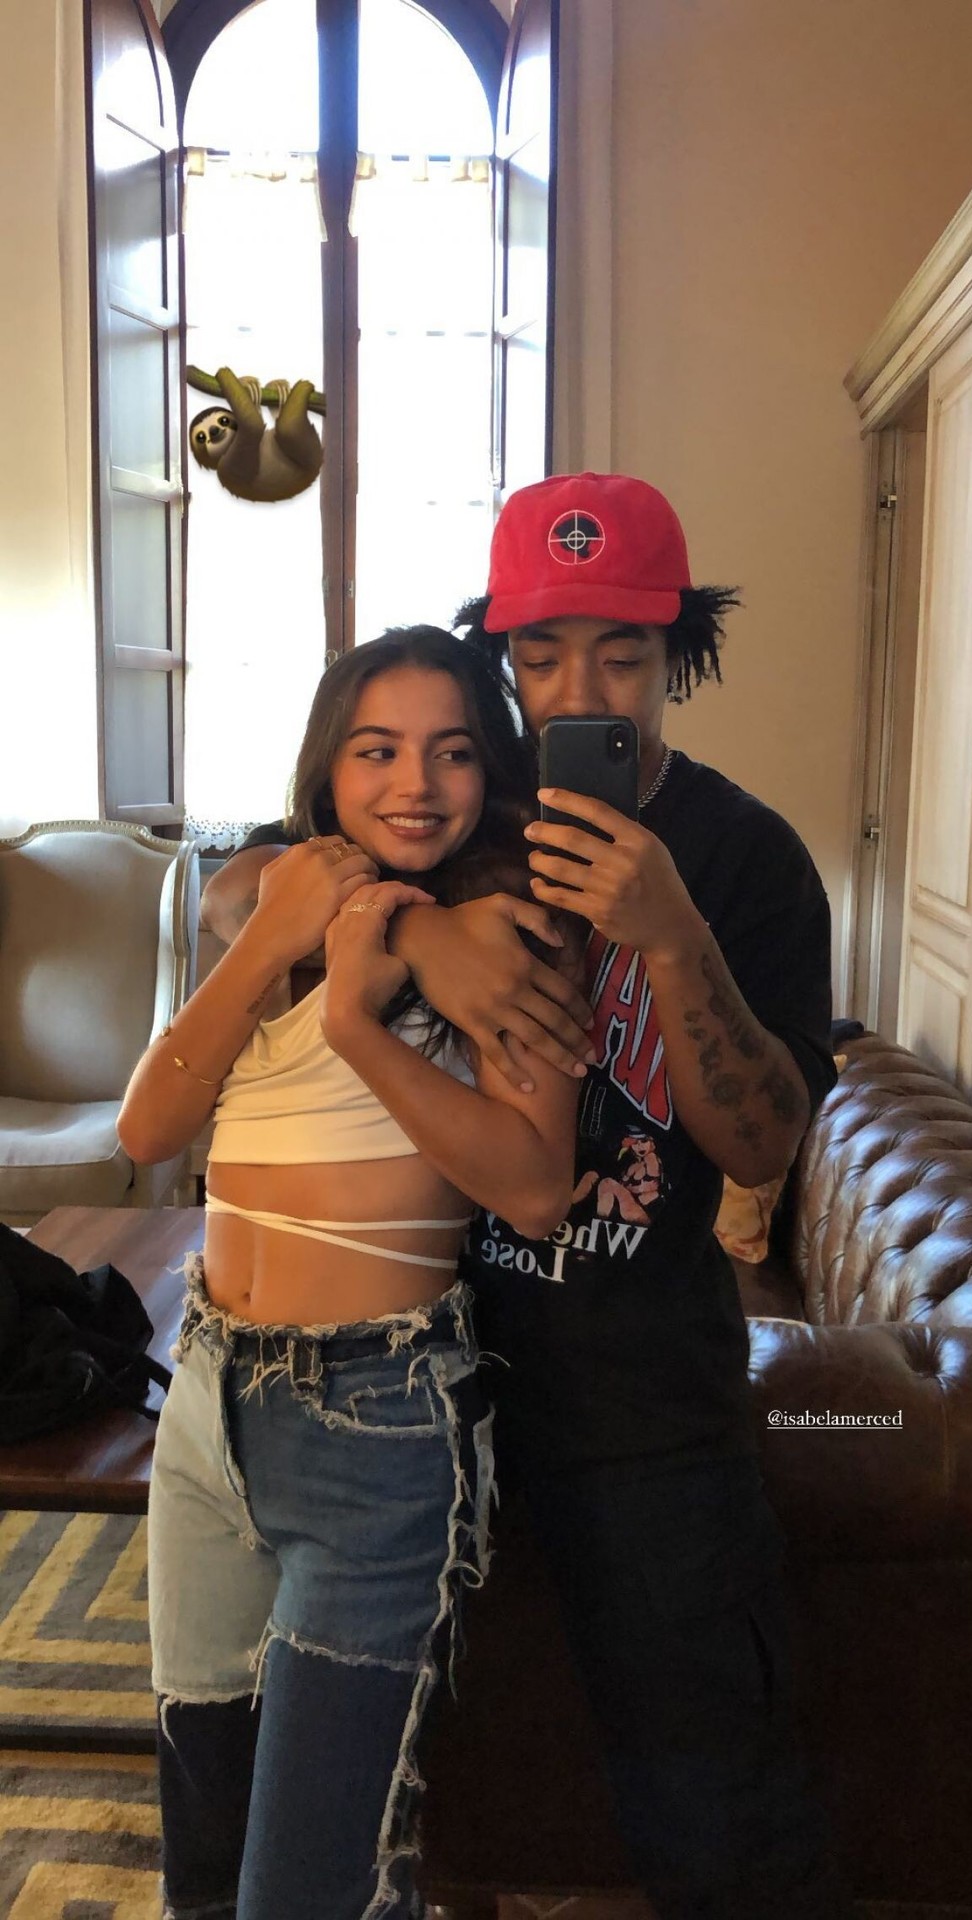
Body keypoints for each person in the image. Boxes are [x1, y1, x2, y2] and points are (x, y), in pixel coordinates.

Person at [204, 475, 850, 1918]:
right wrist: (417, 927)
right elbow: (239, 888)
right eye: (542, 655)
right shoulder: (444, 810)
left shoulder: (745, 856)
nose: (579, 690)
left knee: (718, 1815)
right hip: (418, 1389)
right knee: (427, 1792)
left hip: (641, 1409)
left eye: (621, 655)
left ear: (675, 653)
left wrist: (671, 938)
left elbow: (761, 1144)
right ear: (502, 655)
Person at [119, 625, 578, 1920]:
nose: (415, 784)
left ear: (491, 769)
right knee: (205, 1846)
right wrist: (278, 942)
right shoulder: (273, 906)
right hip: (206, 1402)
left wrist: (355, 1026)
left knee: (311, 1879)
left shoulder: (511, 932)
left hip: (378, 1420)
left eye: (452, 752)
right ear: (328, 767)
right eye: (377, 750)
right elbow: (148, 1132)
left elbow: (535, 1188)